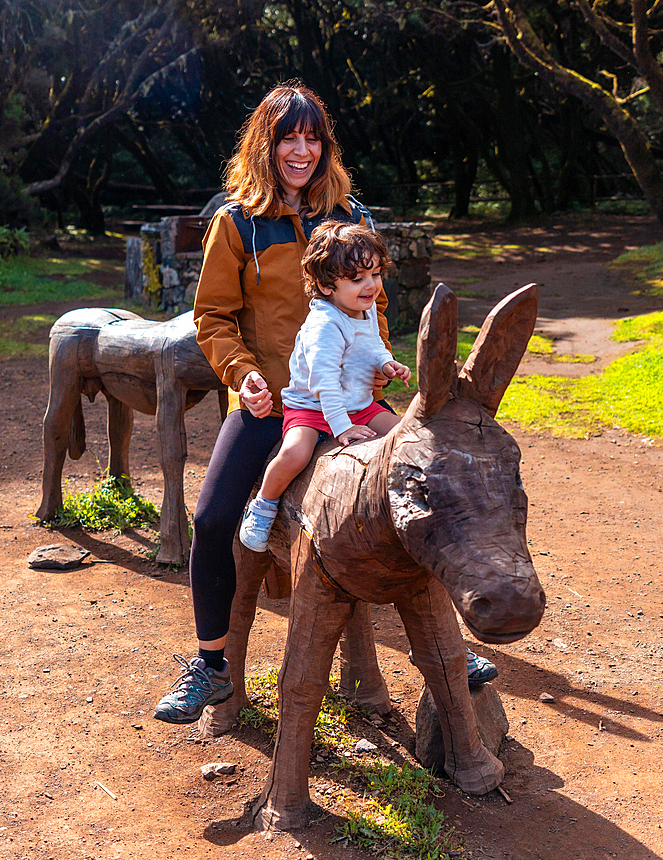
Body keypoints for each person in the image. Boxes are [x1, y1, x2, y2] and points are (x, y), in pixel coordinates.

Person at [153, 81, 496, 724]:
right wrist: (243, 375)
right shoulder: (236, 223)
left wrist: (377, 370)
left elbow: (375, 306)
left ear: (324, 145)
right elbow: (214, 316)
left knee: (422, 491)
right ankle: (211, 664)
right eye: (290, 138)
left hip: (351, 403)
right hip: (271, 407)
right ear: (267, 144)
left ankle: (449, 645)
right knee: (211, 520)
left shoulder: (351, 217)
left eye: (313, 138)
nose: (302, 150)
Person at [239, 221, 410, 552]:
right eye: (358, 279)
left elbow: (372, 342)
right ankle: (263, 505)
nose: (371, 285)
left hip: (359, 403)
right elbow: (323, 383)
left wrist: (385, 362)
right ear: (325, 285)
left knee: (406, 435)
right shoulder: (325, 326)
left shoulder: (366, 307)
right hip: (312, 407)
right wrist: (342, 428)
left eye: (374, 274)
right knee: (294, 453)